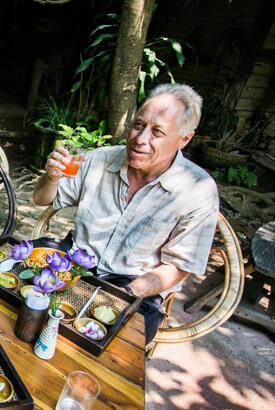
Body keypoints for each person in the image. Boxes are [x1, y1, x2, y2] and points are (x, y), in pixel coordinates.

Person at [32, 83, 219, 345]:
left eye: (157, 132)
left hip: (134, 283)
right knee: (17, 289)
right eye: (139, 125)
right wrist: (51, 177)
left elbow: (179, 267)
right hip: (75, 260)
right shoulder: (99, 159)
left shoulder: (197, 190)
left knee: (110, 347)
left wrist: (126, 293)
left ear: (184, 139)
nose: (140, 139)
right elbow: (41, 199)